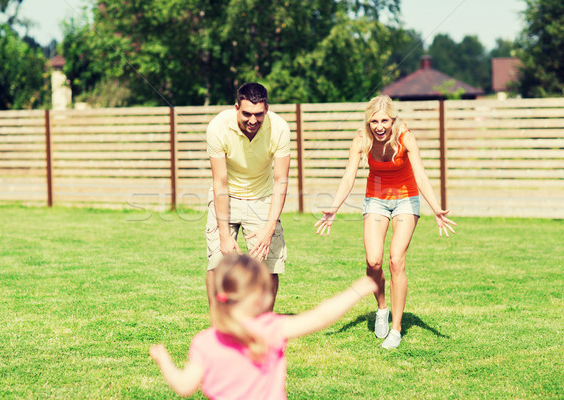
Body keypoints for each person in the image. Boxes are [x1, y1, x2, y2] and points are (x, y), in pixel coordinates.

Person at [314, 95, 456, 349]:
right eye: (374, 121)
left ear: (393, 120)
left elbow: (421, 174)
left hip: (406, 199)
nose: (379, 127)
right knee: (373, 261)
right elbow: (349, 176)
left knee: (396, 259)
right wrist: (334, 208)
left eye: (384, 121)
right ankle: (382, 308)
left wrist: (436, 209)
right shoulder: (361, 140)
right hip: (376, 199)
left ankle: (396, 328)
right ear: (368, 122)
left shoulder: (405, 138)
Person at [150, 254, 377, 399]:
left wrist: (164, 360)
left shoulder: (205, 341)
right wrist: (355, 291)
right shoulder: (270, 329)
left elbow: (184, 386)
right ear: (260, 298)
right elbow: (319, 317)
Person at [205, 82, 291, 311]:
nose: (253, 120)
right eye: (246, 114)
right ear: (236, 108)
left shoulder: (280, 128)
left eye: (258, 114)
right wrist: (224, 234)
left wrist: (269, 227)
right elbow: (220, 182)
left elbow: (281, 180)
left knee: (269, 267)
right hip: (227, 197)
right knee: (216, 264)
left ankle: (264, 326)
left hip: (262, 198)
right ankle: (219, 329)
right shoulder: (217, 128)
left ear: (267, 109)